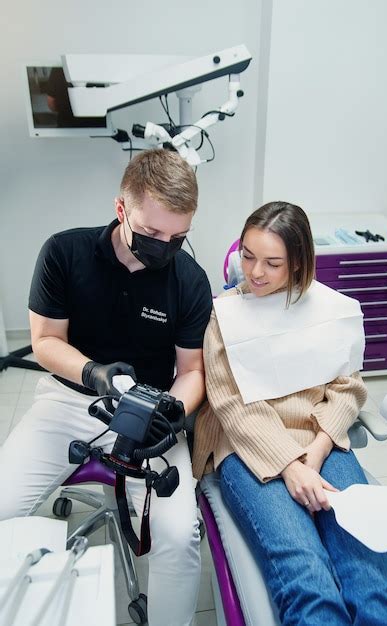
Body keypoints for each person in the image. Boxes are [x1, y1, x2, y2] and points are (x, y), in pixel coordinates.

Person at [0, 149, 212, 626]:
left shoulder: (190, 280)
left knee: (179, 535)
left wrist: (175, 410)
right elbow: (46, 341)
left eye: (179, 237)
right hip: (70, 399)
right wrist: (94, 373)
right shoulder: (64, 253)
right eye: (153, 233)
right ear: (122, 209)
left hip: (152, 411)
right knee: (3, 506)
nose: (165, 247)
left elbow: (192, 369)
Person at [192, 201, 387, 626]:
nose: (255, 272)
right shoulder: (226, 318)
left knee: (373, 577)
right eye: (248, 255)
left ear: (297, 264)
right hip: (249, 449)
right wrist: (291, 467)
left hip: (320, 442)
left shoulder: (328, 311)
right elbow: (233, 407)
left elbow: (349, 388)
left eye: (272, 263)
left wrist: (317, 450)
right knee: (308, 579)